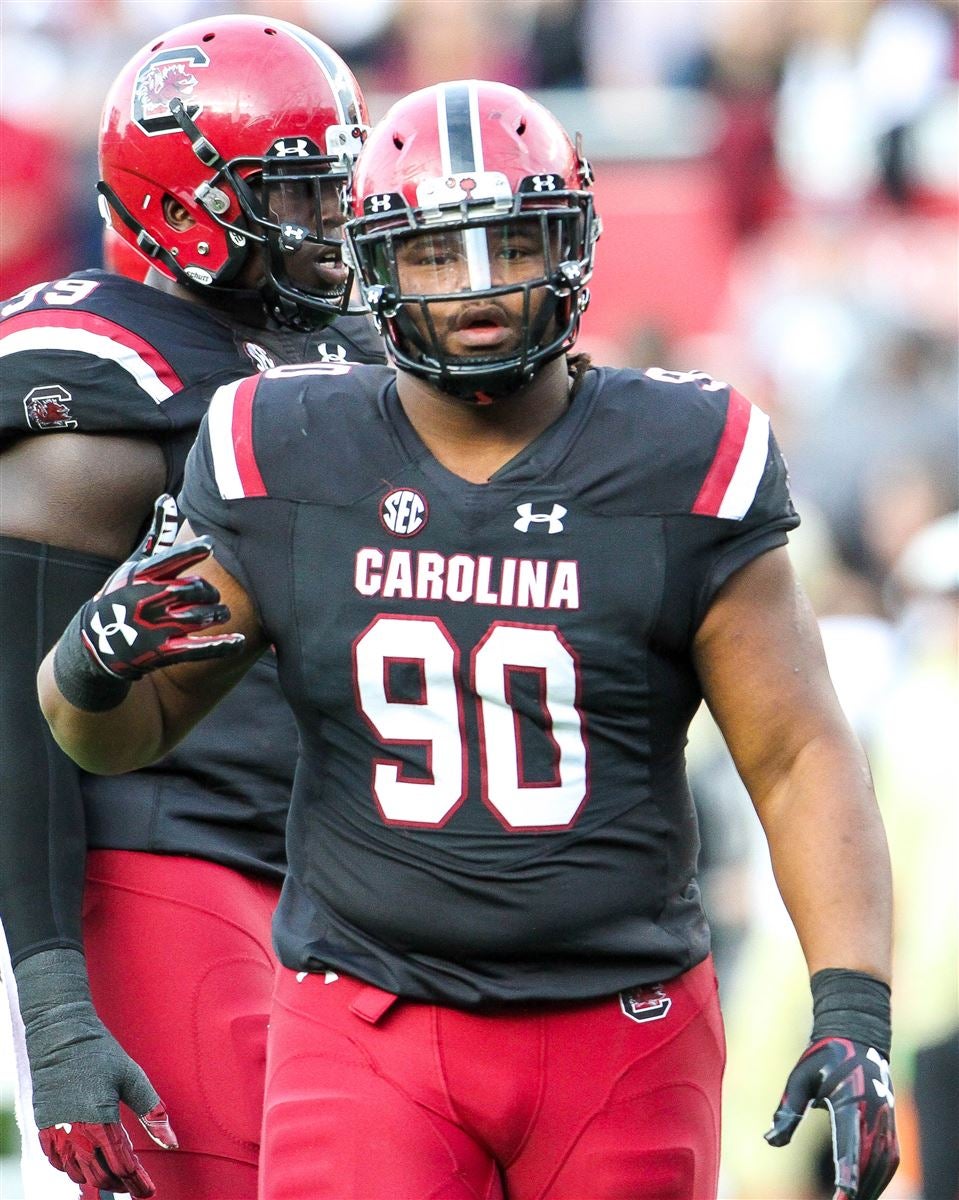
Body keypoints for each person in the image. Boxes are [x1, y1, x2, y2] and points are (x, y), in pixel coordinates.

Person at [38, 80, 900, 1200]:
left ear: (574, 241)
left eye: (512, 243)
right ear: (377, 266)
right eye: (437, 254)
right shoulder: (284, 440)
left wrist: (851, 1007)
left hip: (620, 1023)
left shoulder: (681, 451)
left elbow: (795, 756)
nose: (479, 287)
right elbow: (118, 741)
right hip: (366, 1018)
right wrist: (86, 666)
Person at [0, 13, 384, 1198]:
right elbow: (20, 714)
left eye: (341, 191)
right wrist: (56, 1001)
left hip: (367, 879)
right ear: (187, 203)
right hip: (177, 865)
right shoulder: (107, 399)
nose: (336, 228)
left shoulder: (370, 357)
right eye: (300, 197)